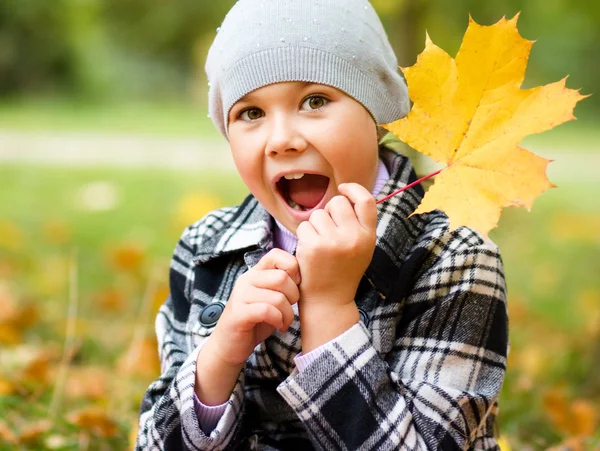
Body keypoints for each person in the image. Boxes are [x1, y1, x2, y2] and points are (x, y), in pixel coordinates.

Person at [136, 0, 508, 449]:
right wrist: (220, 356)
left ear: (376, 115)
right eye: (251, 113)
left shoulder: (454, 257)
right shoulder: (206, 249)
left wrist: (331, 309)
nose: (282, 140)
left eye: (314, 101)